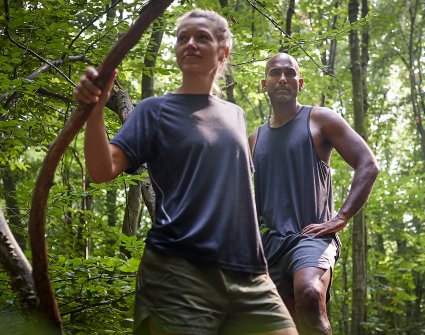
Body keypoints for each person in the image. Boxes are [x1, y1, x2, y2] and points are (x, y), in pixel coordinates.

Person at [74, 9, 297, 335]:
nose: (189, 44)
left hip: (249, 272)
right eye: (183, 38)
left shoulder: (235, 115)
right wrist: (94, 113)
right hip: (178, 271)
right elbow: (102, 169)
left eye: (202, 37)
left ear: (224, 51)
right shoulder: (153, 110)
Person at [249, 53, 380, 335]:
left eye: (290, 73)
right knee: (280, 324)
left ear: (301, 83)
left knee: (309, 293)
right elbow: (235, 195)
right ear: (264, 83)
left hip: (312, 237)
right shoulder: (254, 139)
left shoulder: (319, 120)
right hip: (270, 246)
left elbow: (368, 165)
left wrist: (341, 218)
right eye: (275, 73)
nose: (282, 78)